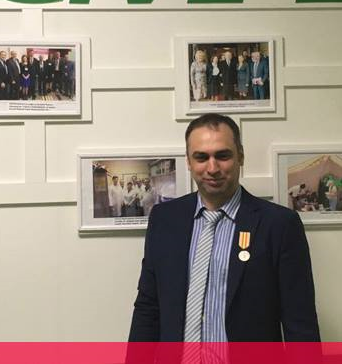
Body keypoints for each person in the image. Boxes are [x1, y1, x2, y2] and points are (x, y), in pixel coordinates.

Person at [128, 113, 319, 343]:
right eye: (201, 157)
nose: (212, 168)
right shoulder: (164, 220)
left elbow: (300, 323)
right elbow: (148, 307)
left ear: (241, 156)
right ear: (189, 162)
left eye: (223, 155)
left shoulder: (279, 225)